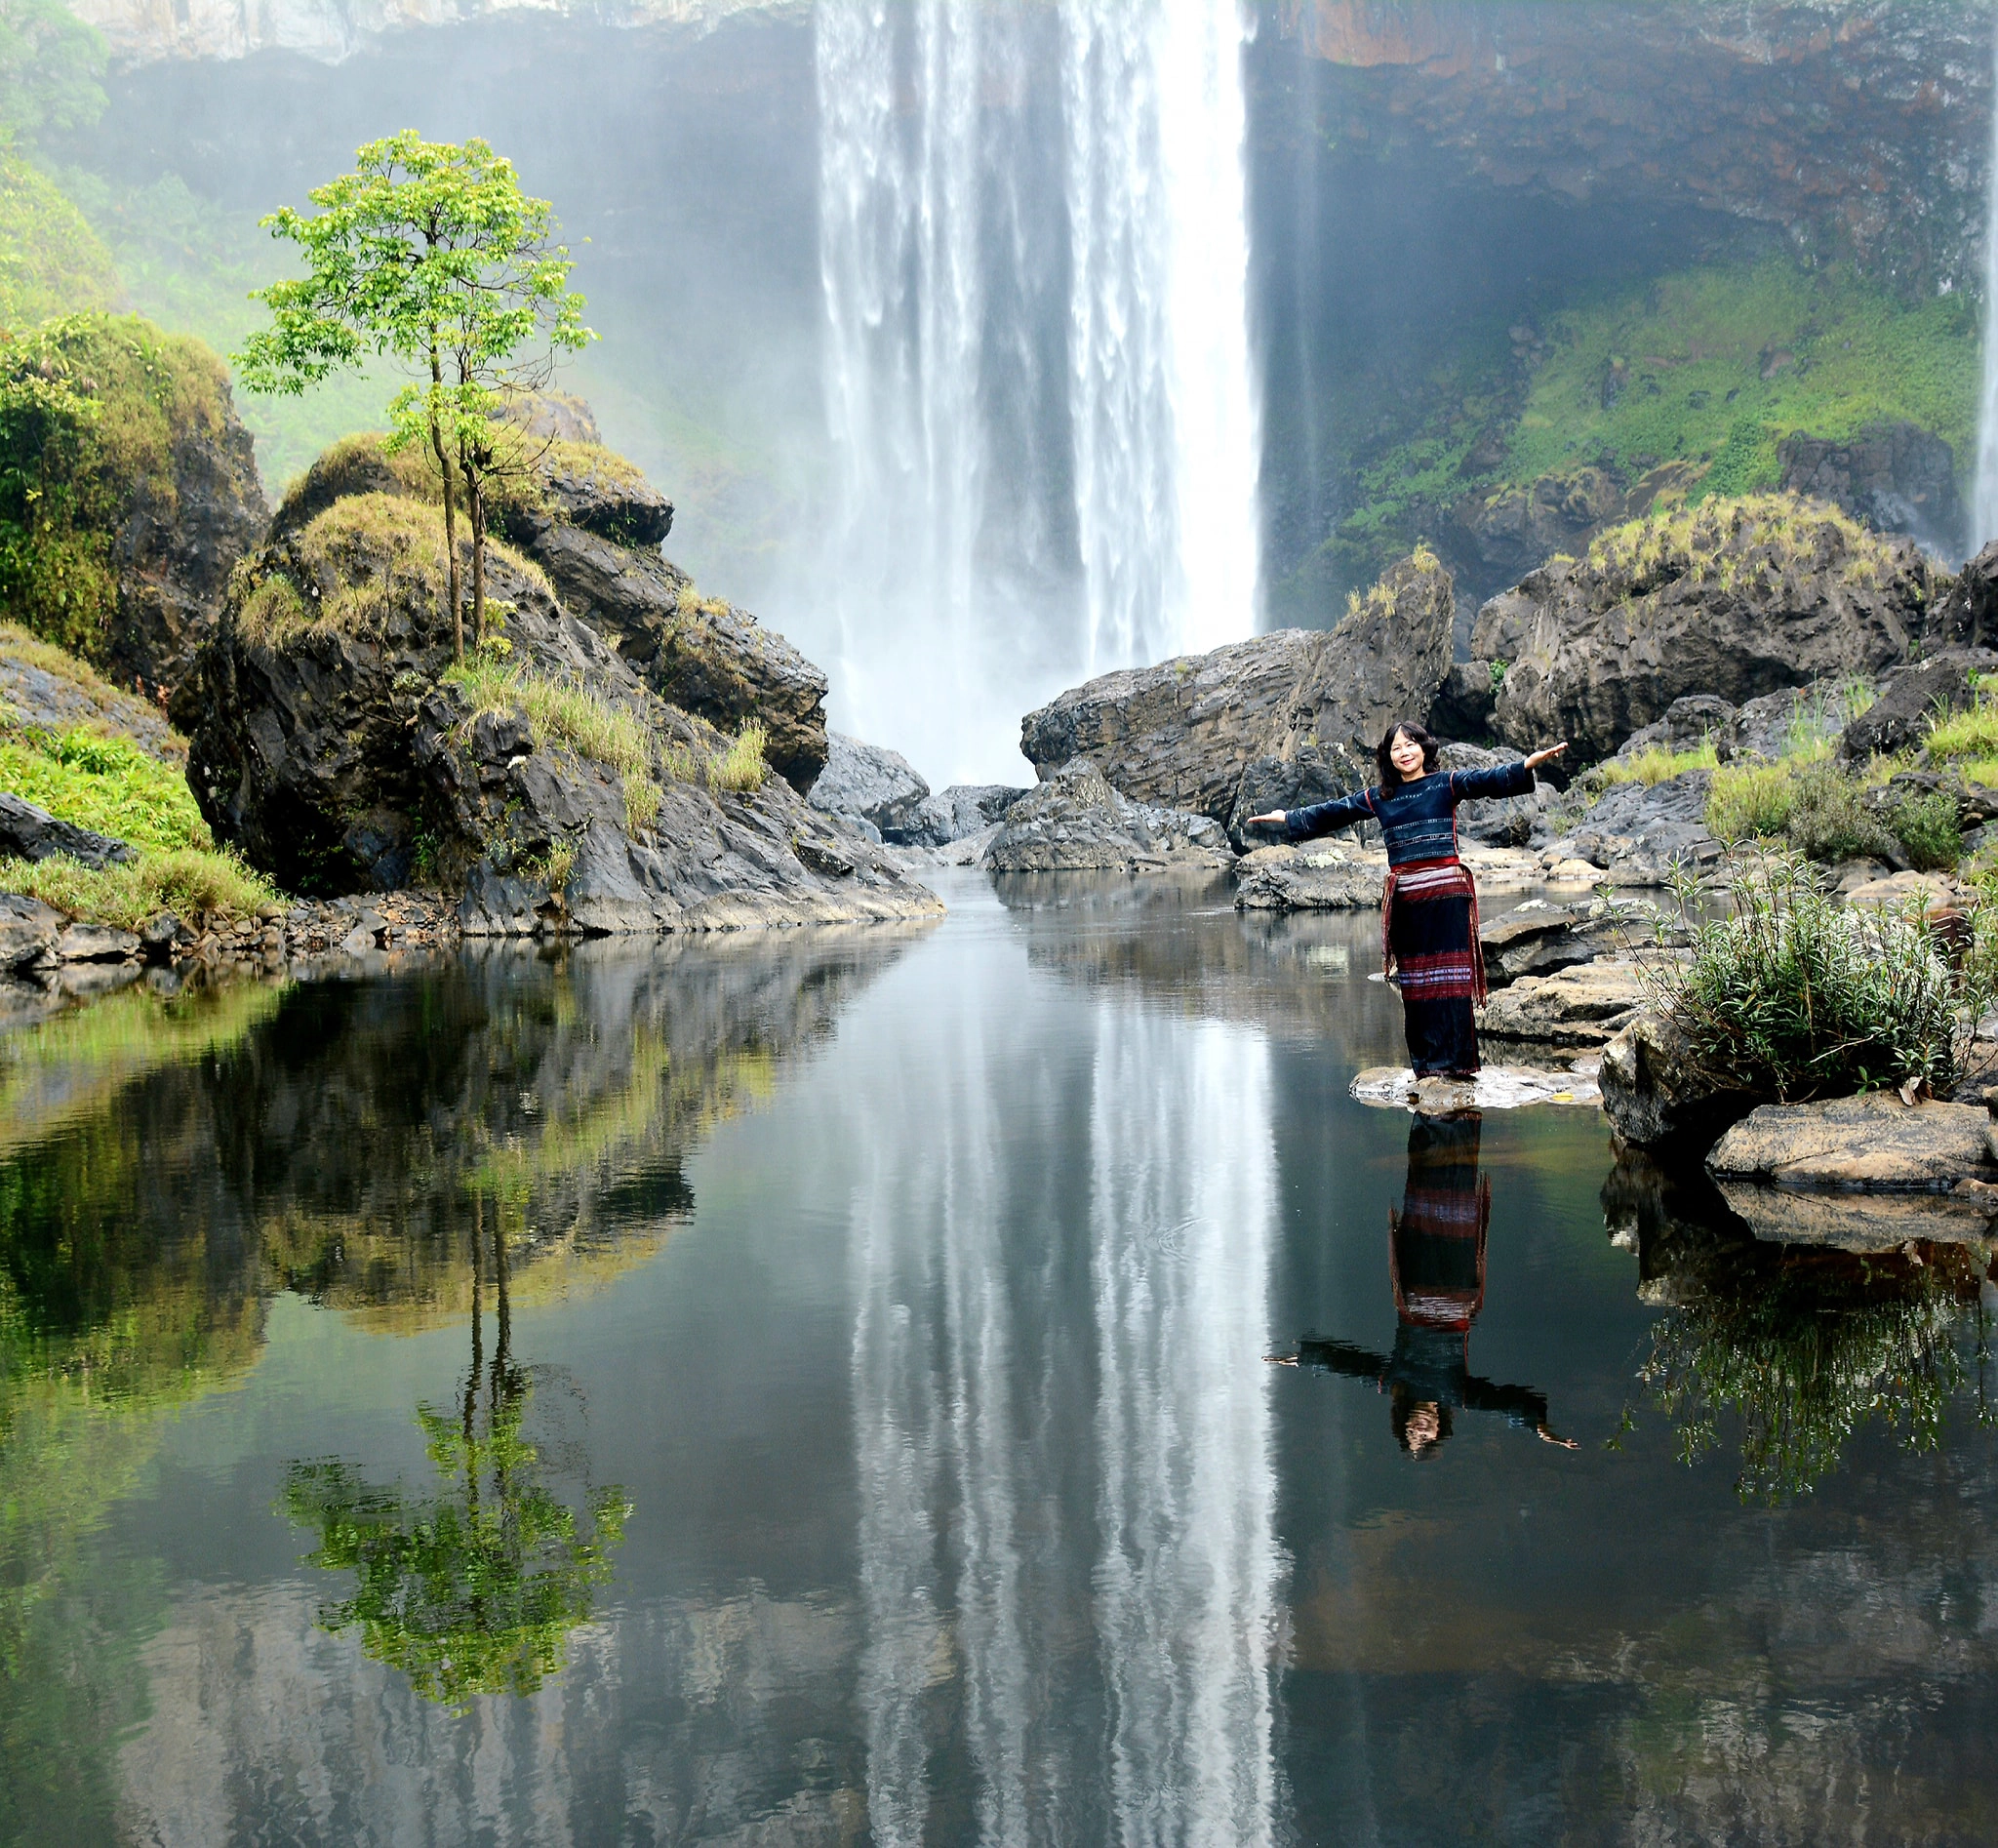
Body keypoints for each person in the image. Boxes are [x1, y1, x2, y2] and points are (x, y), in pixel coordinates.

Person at [1244, 722, 1568, 1078]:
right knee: (1416, 983)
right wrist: (1287, 817)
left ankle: (1459, 1065)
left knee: (1453, 979)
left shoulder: (1446, 783)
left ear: (1425, 749)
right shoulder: (1380, 797)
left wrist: (1526, 766)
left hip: (1447, 895)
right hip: (1408, 899)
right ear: (1389, 757)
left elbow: (1484, 780)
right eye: (1397, 748)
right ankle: (1428, 1068)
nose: (1405, 752)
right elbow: (1337, 810)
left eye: (1411, 744)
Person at [1270, 1113, 1577, 1458]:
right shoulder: (1455, 1394)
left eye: (1410, 1433)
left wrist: (1302, 1358)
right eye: (1424, 1435)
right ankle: (1462, 1124)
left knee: (1422, 1201)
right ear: (1438, 1428)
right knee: (1457, 1198)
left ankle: (1429, 1123)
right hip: (1457, 1286)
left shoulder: (1396, 1382)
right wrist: (1536, 1425)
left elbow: (1351, 1366)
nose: (1417, 1429)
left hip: (1416, 1284)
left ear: (1402, 1422)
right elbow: (1497, 1403)